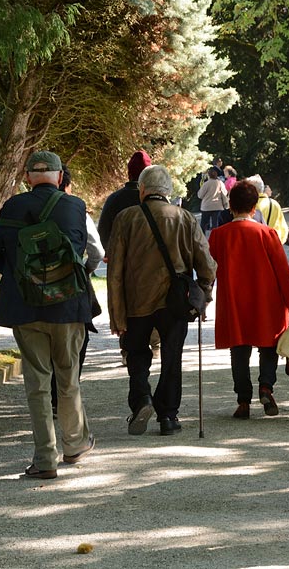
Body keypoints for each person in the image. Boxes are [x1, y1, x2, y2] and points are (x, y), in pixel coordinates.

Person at [0, 151, 95, 479]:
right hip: (68, 305)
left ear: (27, 177)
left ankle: (45, 460)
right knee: (68, 378)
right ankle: (74, 445)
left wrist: (18, 275)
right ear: (59, 177)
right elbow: (80, 250)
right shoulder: (75, 206)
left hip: (25, 307)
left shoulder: (13, 206)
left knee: (37, 383)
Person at [107, 164, 217, 436]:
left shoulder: (125, 218)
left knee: (136, 354)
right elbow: (207, 265)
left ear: (142, 190)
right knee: (172, 356)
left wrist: (116, 315)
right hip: (175, 302)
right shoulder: (185, 218)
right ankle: (168, 416)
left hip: (136, 301)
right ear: (168, 192)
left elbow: (115, 272)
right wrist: (202, 295)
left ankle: (142, 400)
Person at [208, 181, 289, 419]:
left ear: (230, 206)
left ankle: (243, 400)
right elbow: (282, 271)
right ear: (254, 206)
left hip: (234, 301)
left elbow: (209, 268)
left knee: (239, 351)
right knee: (269, 346)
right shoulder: (267, 233)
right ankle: (266, 387)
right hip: (266, 300)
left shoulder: (219, 236)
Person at [49, 166, 104, 416]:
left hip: (33, 286)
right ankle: (65, 396)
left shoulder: (24, 207)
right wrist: (85, 270)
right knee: (76, 340)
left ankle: (49, 398)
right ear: (64, 183)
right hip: (71, 285)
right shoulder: (76, 210)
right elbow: (97, 252)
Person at [97, 150, 160, 364]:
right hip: (153, 261)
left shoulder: (115, 199)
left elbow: (104, 228)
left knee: (124, 303)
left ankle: (126, 349)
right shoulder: (159, 200)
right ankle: (155, 344)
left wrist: (110, 252)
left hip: (123, 262)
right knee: (154, 300)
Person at [247, 174, 289, 244]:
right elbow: (284, 229)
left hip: (255, 246)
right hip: (272, 244)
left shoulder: (249, 205)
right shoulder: (274, 204)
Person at [197, 166, 229, 235]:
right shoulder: (220, 183)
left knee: (204, 224)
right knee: (216, 224)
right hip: (217, 206)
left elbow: (200, 195)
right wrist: (225, 203)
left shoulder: (206, 184)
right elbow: (224, 193)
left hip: (206, 206)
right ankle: (216, 238)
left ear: (209, 175)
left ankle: (202, 238)